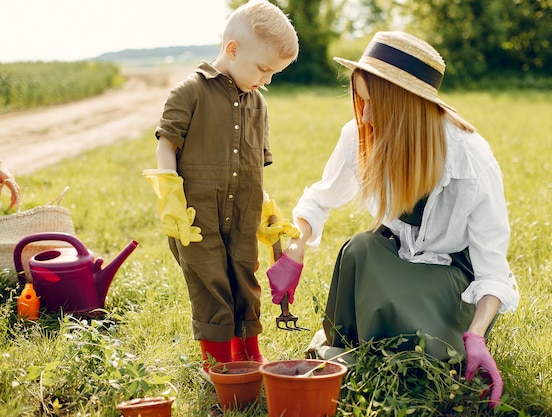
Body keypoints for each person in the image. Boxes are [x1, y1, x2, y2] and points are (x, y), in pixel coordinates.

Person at [267, 31, 519, 408]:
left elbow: (492, 271)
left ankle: (400, 354)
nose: (364, 114)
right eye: (361, 101)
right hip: (395, 260)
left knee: (411, 350)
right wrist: (295, 247)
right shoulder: (360, 135)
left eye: (374, 103)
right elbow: (321, 198)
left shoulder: (470, 159)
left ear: (406, 106)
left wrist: (477, 335)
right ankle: (354, 354)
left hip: (450, 277)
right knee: (360, 250)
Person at [143, 0, 300, 371]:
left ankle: (250, 355)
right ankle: (220, 364)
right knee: (210, 283)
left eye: (274, 73)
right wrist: (170, 197)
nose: (267, 80)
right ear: (233, 49)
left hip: (242, 212)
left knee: (245, 279)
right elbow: (166, 145)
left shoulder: (258, 104)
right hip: (195, 215)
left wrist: (264, 207)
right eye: (263, 68)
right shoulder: (189, 92)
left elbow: (253, 164)